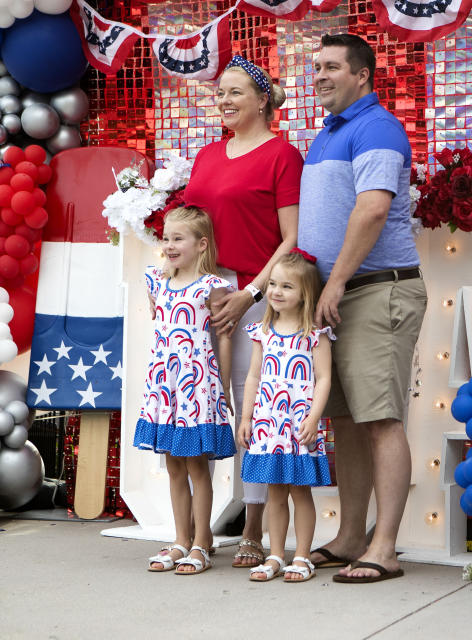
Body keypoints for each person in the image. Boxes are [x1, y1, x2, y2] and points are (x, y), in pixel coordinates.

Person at [298, 33, 427, 583]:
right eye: (317, 67)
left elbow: (373, 211)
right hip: (339, 297)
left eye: (332, 67)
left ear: (363, 75)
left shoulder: (378, 128)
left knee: (380, 419)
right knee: (346, 421)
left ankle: (386, 548)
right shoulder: (328, 133)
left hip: (377, 290)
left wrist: (337, 281)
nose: (320, 75)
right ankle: (351, 536)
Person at [183, 54, 303, 568]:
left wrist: (250, 294)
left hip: (256, 296)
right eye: (220, 93)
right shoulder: (208, 155)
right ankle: (197, 532)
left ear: (262, 100)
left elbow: (294, 238)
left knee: (252, 407)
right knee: (204, 404)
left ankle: (254, 527)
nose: (224, 101)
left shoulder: (282, 155)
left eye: (235, 92)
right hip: (205, 295)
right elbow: (191, 227)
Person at [133, 207, 235, 575]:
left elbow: (223, 337)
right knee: (174, 466)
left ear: (201, 243)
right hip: (165, 385)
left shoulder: (213, 286)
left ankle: (201, 542)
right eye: (167, 238)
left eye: (178, 238)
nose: (170, 245)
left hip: (197, 385)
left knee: (197, 466)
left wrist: (221, 385)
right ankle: (180, 539)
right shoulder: (156, 281)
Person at [238, 250, 335, 583]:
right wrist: (247, 417)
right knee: (274, 491)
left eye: (286, 287)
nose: (276, 292)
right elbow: (253, 376)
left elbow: (324, 378)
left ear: (305, 294)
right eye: (274, 284)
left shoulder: (315, 334)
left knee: (299, 491)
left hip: (299, 425)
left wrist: (314, 417)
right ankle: (276, 554)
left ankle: (303, 556)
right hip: (269, 425)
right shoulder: (261, 331)